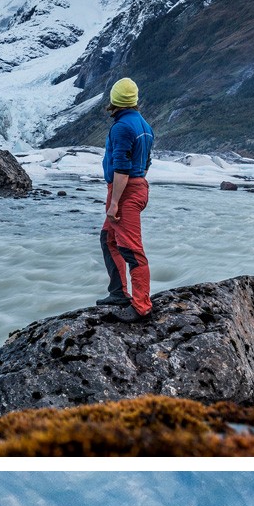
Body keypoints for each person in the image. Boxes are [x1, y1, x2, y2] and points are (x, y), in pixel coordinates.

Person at [95, 77, 155, 322]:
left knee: (131, 249)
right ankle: (119, 292)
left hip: (124, 191)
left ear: (115, 100)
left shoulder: (121, 127)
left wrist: (115, 202)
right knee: (108, 238)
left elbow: (121, 168)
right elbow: (146, 162)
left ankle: (141, 306)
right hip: (136, 187)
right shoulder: (144, 125)